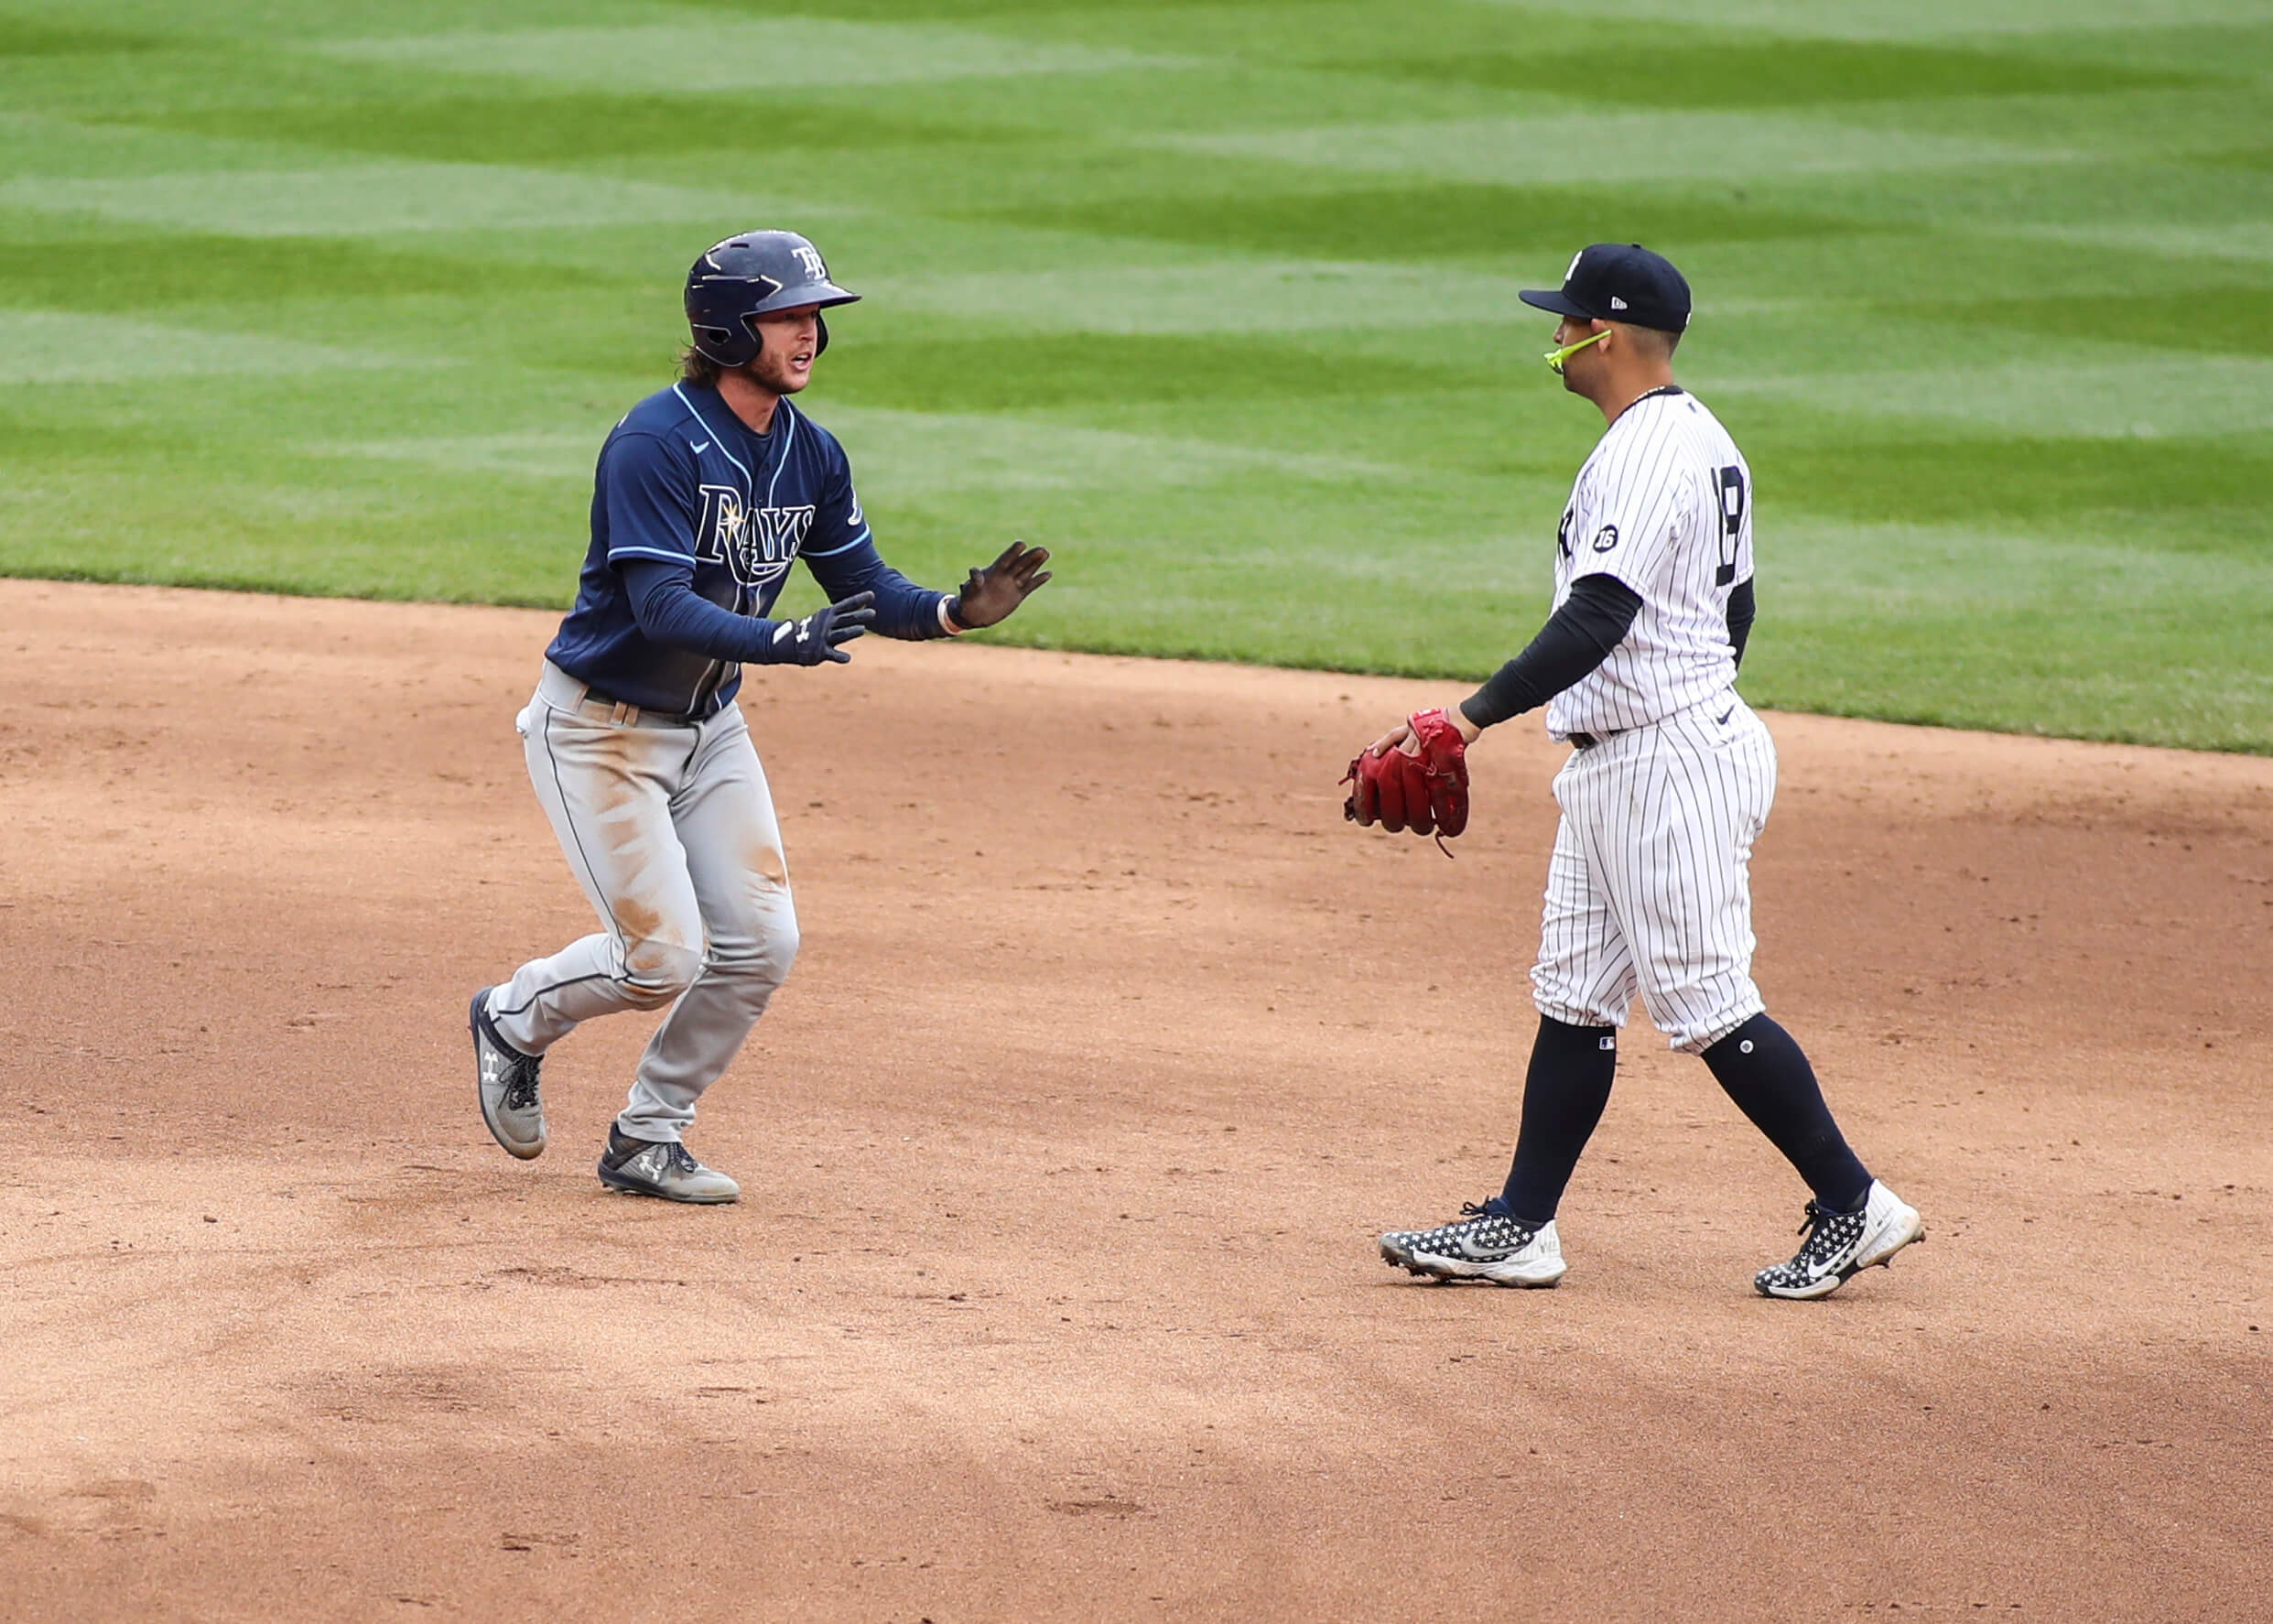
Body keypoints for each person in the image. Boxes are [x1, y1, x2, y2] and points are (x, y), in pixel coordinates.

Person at [1369, 244, 1921, 1298]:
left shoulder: (1644, 451)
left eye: (1565, 321)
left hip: (1663, 763)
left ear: (1607, 336)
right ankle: (1522, 1225)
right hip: (1641, 755)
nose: (1553, 337)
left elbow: (1596, 614)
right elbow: (1736, 608)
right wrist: (1691, 698)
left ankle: (1853, 1201)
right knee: (1574, 994)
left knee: (1706, 1000)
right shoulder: (1698, 439)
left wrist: (1470, 718)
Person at [469, 230, 1050, 1203]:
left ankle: (648, 1136)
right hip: (599, 730)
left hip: (707, 729)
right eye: (787, 313)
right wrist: (782, 640)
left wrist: (952, 613)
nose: (809, 331)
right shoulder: (655, 440)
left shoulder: (808, 454)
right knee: (663, 957)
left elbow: (864, 586)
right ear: (730, 327)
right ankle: (509, 1021)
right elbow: (658, 608)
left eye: (813, 313)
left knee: (760, 944)